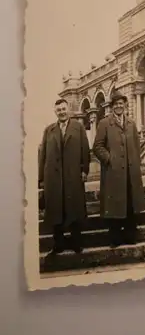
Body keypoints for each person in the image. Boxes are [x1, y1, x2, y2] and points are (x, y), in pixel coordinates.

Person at [93, 90, 145, 247]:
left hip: (130, 172)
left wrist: (136, 162)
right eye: (116, 104)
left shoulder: (131, 123)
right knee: (114, 206)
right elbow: (97, 146)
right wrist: (109, 160)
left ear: (125, 105)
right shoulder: (104, 123)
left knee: (130, 204)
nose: (119, 107)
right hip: (113, 173)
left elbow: (137, 145)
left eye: (121, 104)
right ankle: (115, 238)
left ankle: (130, 236)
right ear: (112, 106)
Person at [38, 98, 90, 254]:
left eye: (63, 109)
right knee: (56, 210)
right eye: (58, 109)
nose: (61, 112)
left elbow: (85, 150)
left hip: (72, 175)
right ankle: (58, 244)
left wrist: (84, 170)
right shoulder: (49, 130)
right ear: (55, 112)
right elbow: (43, 155)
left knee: (74, 208)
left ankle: (76, 243)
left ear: (68, 110)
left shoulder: (78, 128)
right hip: (53, 177)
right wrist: (41, 178)